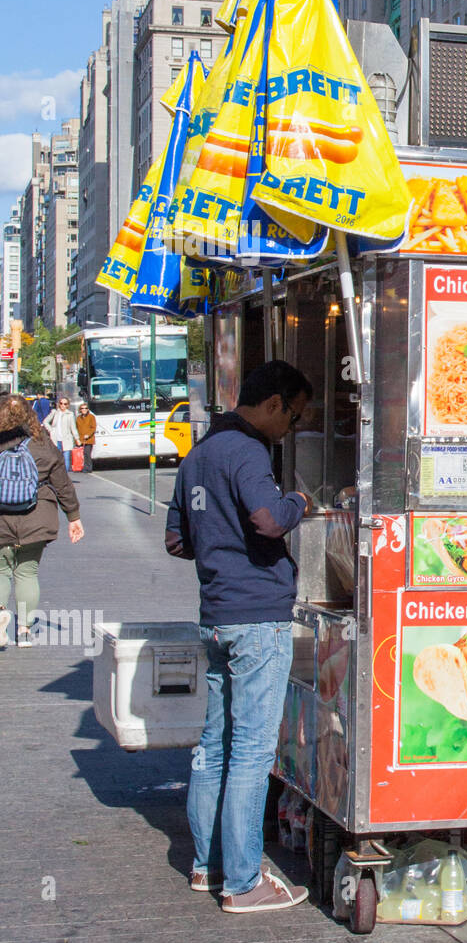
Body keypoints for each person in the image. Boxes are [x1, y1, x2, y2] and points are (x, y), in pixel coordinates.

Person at [166, 360, 314, 914]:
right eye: (294, 417)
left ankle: (206, 867)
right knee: (252, 752)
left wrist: (218, 551)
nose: (292, 429)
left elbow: (176, 541)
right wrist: (298, 501)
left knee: (215, 746)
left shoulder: (199, 453)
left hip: (217, 615)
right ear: (274, 403)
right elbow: (269, 519)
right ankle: (244, 883)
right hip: (257, 619)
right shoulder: (249, 453)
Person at [0, 394, 84, 647]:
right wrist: (74, 516)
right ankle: (24, 631)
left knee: (2, 570)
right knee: (27, 571)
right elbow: (62, 483)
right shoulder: (43, 442)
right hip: (37, 514)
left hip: (1, 518)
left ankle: (0, 616)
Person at [44, 396, 79, 471]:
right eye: (61, 403)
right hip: (56, 439)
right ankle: (59, 475)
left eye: (65, 404)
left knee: (66, 459)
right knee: (57, 459)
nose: (63, 405)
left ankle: (65, 476)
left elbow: (73, 428)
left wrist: (77, 438)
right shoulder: (55, 412)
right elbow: (45, 422)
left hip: (66, 439)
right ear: (59, 404)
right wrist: (51, 430)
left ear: (68, 405)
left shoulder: (70, 414)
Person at [76, 403, 97, 473]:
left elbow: (93, 427)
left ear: (88, 409)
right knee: (81, 454)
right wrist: (76, 439)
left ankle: (88, 468)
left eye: (85, 408)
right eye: (82, 408)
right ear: (80, 410)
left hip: (89, 439)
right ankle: (81, 467)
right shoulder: (78, 418)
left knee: (87, 453)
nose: (84, 410)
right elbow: (76, 428)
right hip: (81, 439)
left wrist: (88, 434)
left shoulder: (91, 417)